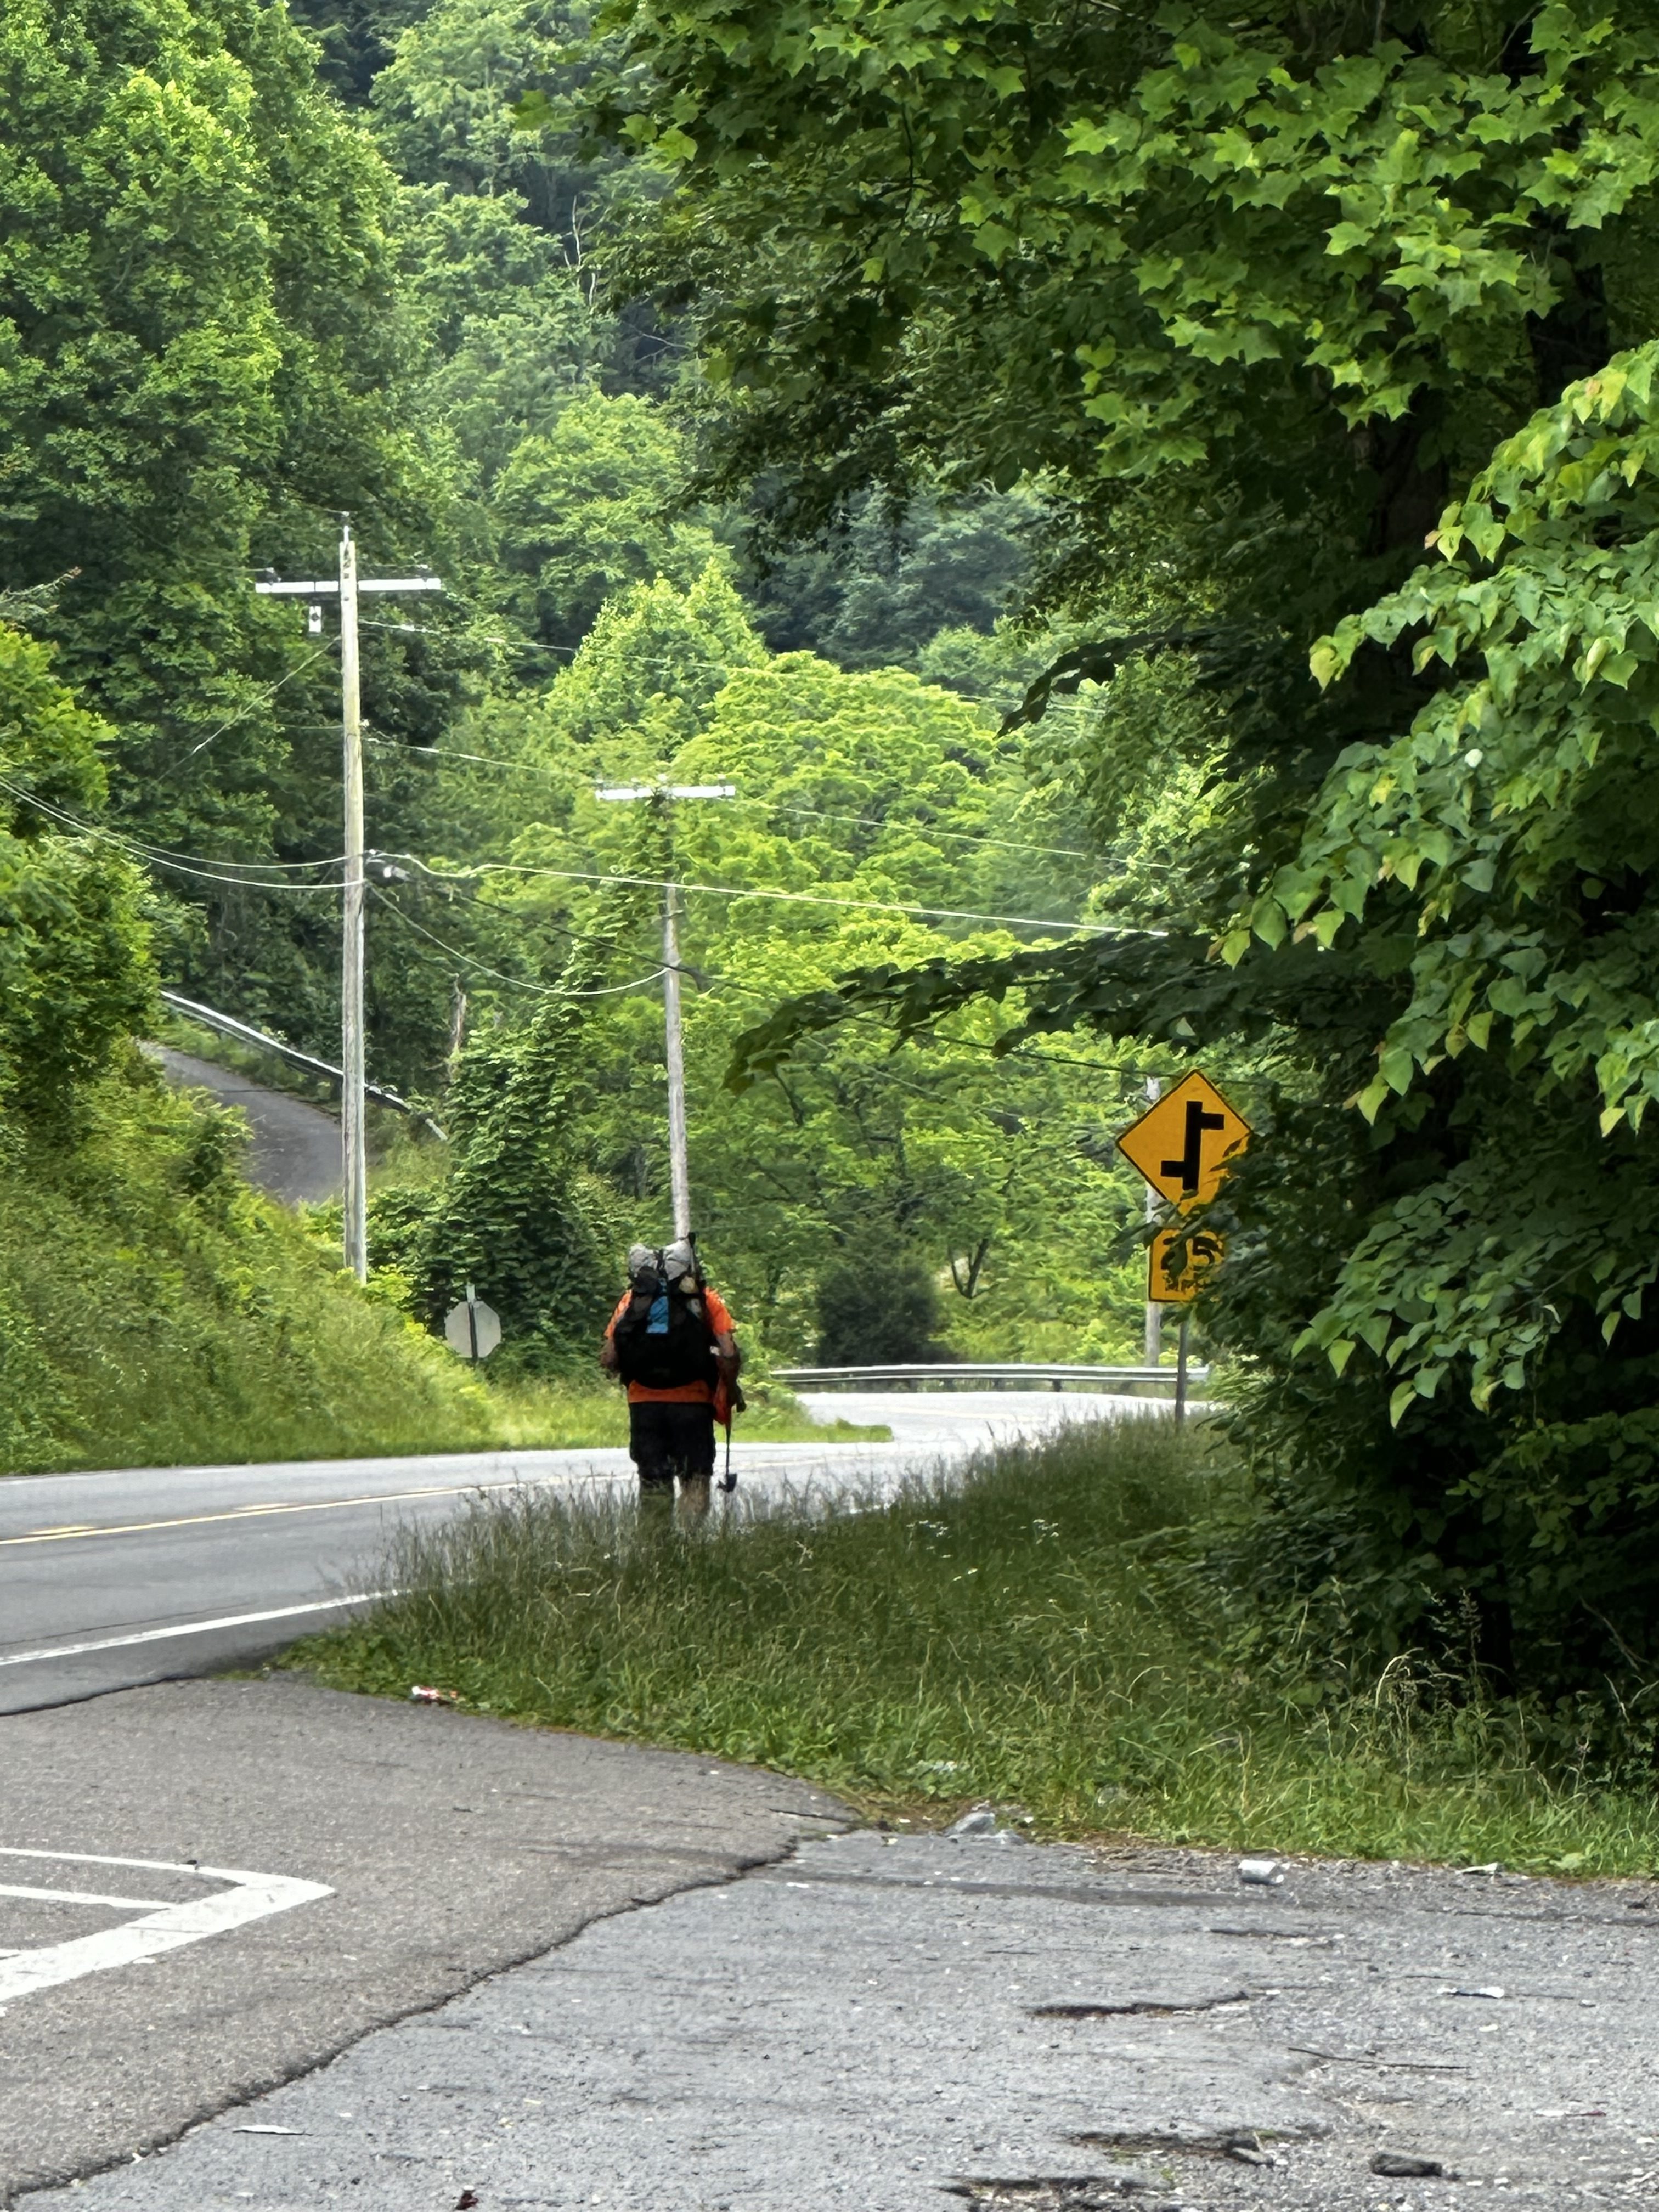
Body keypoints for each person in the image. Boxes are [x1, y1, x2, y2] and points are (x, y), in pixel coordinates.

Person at [600, 1238, 741, 1516]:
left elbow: (608, 1358)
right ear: (691, 1268)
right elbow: (728, 1352)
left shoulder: (632, 1300)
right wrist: (729, 1385)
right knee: (694, 1478)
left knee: (653, 1480)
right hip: (693, 1402)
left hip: (644, 1404)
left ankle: (656, 1550)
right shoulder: (705, 1299)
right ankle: (690, 1549)